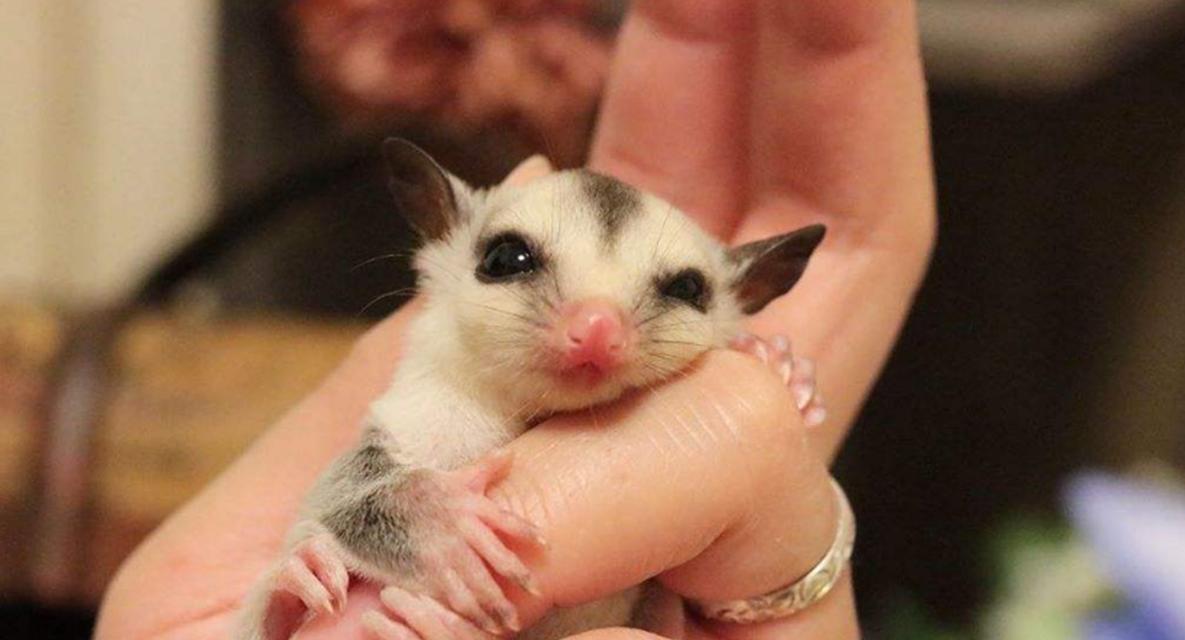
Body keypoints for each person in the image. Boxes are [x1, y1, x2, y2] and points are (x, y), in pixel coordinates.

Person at [95, 1, 934, 638]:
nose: (596, 330)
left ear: (745, 300)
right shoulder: (439, 386)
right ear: (439, 245)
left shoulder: (716, 385)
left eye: (679, 292)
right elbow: (348, 505)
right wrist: (412, 528)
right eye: (515, 262)